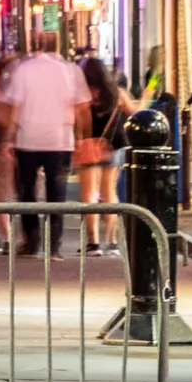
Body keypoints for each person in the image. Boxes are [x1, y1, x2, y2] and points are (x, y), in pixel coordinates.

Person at [0, 23, 87, 255]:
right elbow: (80, 107)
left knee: (27, 192)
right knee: (56, 194)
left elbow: (14, 107)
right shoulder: (70, 70)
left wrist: (8, 138)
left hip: (27, 140)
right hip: (60, 141)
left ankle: (32, 241)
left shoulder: (23, 70)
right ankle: (54, 246)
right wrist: (80, 138)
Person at [75, 57, 125, 252]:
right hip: (114, 144)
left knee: (89, 194)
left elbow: (80, 123)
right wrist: (149, 91)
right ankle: (112, 242)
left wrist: (80, 139)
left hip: (90, 145)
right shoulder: (116, 93)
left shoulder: (82, 95)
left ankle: (93, 242)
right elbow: (136, 110)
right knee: (110, 192)